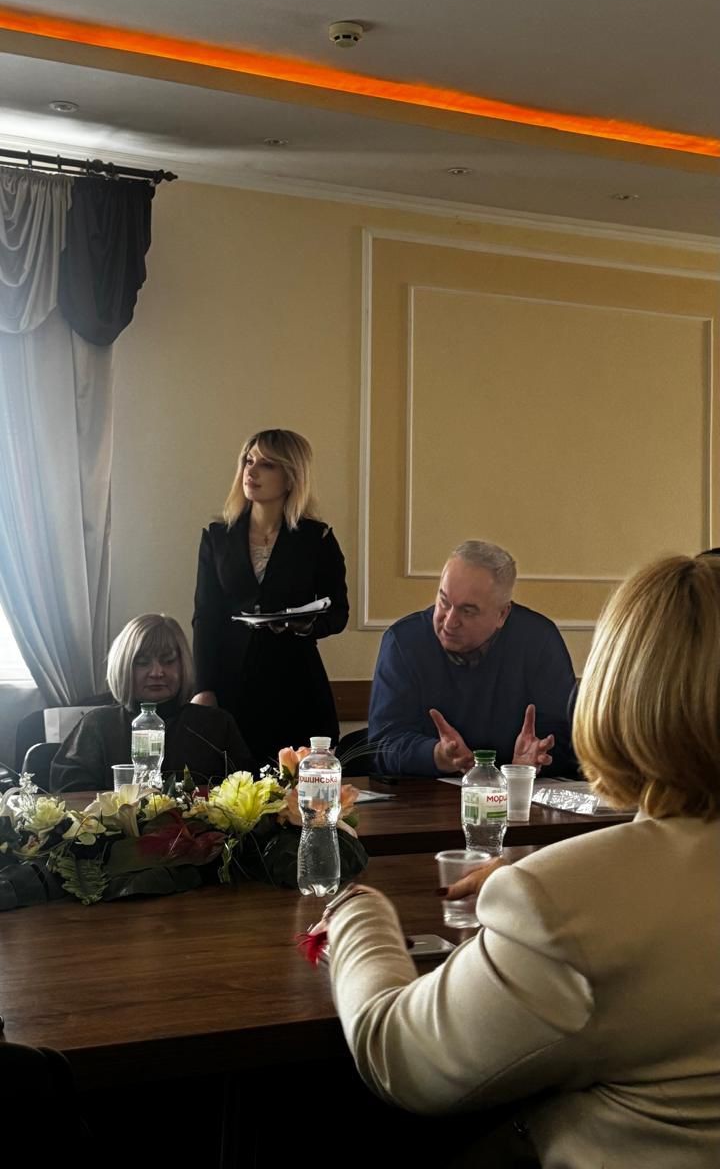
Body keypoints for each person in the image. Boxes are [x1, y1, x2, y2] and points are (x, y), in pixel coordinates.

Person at [318, 554, 720, 1166]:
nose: (449, 618)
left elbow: (397, 1055)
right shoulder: (568, 894)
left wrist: (355, 909)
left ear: (615, 692)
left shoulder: (560, 902)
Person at [191, 428, 349, 768]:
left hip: (295, 685)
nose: (251, 472)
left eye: (267, 465)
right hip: (232, 683)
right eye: (248, 461)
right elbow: (205, 617)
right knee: (231, 786)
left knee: (296, 786)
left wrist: (306, 625)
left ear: (291, 476)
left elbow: (338, 613)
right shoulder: (218, 537)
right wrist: (203, 687)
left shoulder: (316, 539)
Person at [368, 539, 577, 776]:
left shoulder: (539, 640)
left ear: (502, 614)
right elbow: (382, 745)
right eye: (444, 602)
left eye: (467, 611)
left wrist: (532, 762)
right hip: (427, 793)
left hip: (521, 791)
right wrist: (436, 755)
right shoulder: (404, 641)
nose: (449, 622)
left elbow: (567, 740)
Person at [50, 613, 251, 793]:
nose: (157, 672)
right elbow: (69, 792)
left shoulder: (216, 725)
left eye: (168, 660)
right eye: (142, 662)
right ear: (124, 666)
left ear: (183, 665)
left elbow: (246, 789)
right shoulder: (97, 725)